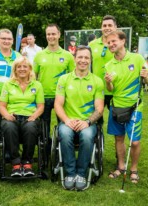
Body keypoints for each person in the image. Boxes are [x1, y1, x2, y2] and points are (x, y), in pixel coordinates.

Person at [54, 46, 104, 190]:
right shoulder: (64, 79)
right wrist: (67, 120)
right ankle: (70, 173)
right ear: (75, 59)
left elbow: (99, 108)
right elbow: (58, 104)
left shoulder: (97, 81)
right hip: (68, 121)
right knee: (64, 133)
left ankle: (81, 173)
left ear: (90, 60)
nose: (83, 60)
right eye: (80, 57)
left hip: (88, 122)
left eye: (86, 58)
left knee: (88, 136)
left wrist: (87, 122)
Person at [104, 30, 148, 183]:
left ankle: (134, 169)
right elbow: (110, 90)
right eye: (108, 42)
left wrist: (146, 77)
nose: (111, 44)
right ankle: (121, 167)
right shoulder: (109, 64)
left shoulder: (137, 59)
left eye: (113, 41)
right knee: (119, 138)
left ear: (123, 41)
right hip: (116, 106)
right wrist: (108, 82)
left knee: (134, 141)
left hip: (135, 106)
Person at [0, 56, 44, 177]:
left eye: (25, 66)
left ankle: (27, 162)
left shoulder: (37, 85)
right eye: (19, 66)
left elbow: (41, 106)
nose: (22, 69)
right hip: (12, 117)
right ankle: (16, 164)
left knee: (30, 128)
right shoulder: (8, 84)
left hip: (30, 117)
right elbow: (2, 105)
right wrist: (7, 115)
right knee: (8, 127)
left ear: (30, 69)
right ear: (15, 69)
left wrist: (34, 116)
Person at [34, 23, 75, 140]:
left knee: (63, 126)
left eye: (53, 34)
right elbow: (33, 77)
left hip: (61, 97)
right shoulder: (39, 55)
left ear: (59, 35)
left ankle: (60, 150)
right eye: (48, 34)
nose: (51, 36)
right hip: (43, 96)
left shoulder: (68, 56)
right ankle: (46, 151)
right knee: (43, 127)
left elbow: (73, 77)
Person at [89, 15, 117, 124]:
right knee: (95, 122)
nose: (107, 28)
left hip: (114, 90)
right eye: (104, 25)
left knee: (116, 123)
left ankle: (118, 142)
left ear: (115, 27)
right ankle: (96, 140)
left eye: (110, 25)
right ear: (101, 27)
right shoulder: (92, 45)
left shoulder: (118, 45)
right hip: (96, 90)